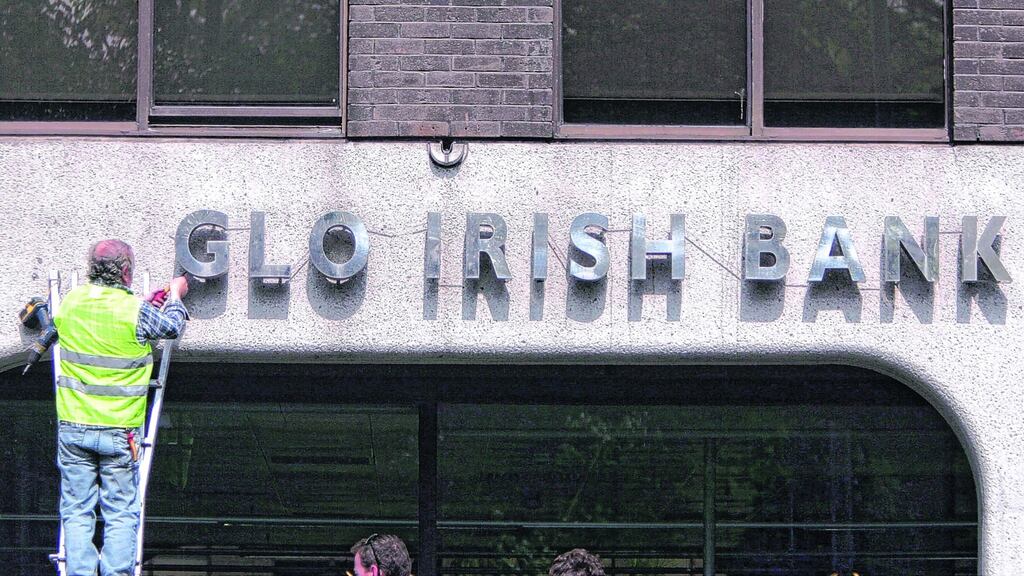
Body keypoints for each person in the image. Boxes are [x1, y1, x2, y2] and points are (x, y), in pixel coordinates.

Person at [51, 239, 189, 576]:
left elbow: (81, 325)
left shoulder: (69, 304)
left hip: (74, 425)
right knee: (121, 510)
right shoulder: (135, 312)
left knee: (77, 508)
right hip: (120, 429)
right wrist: (174, 297)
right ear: (126, 271)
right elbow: (170, 327)